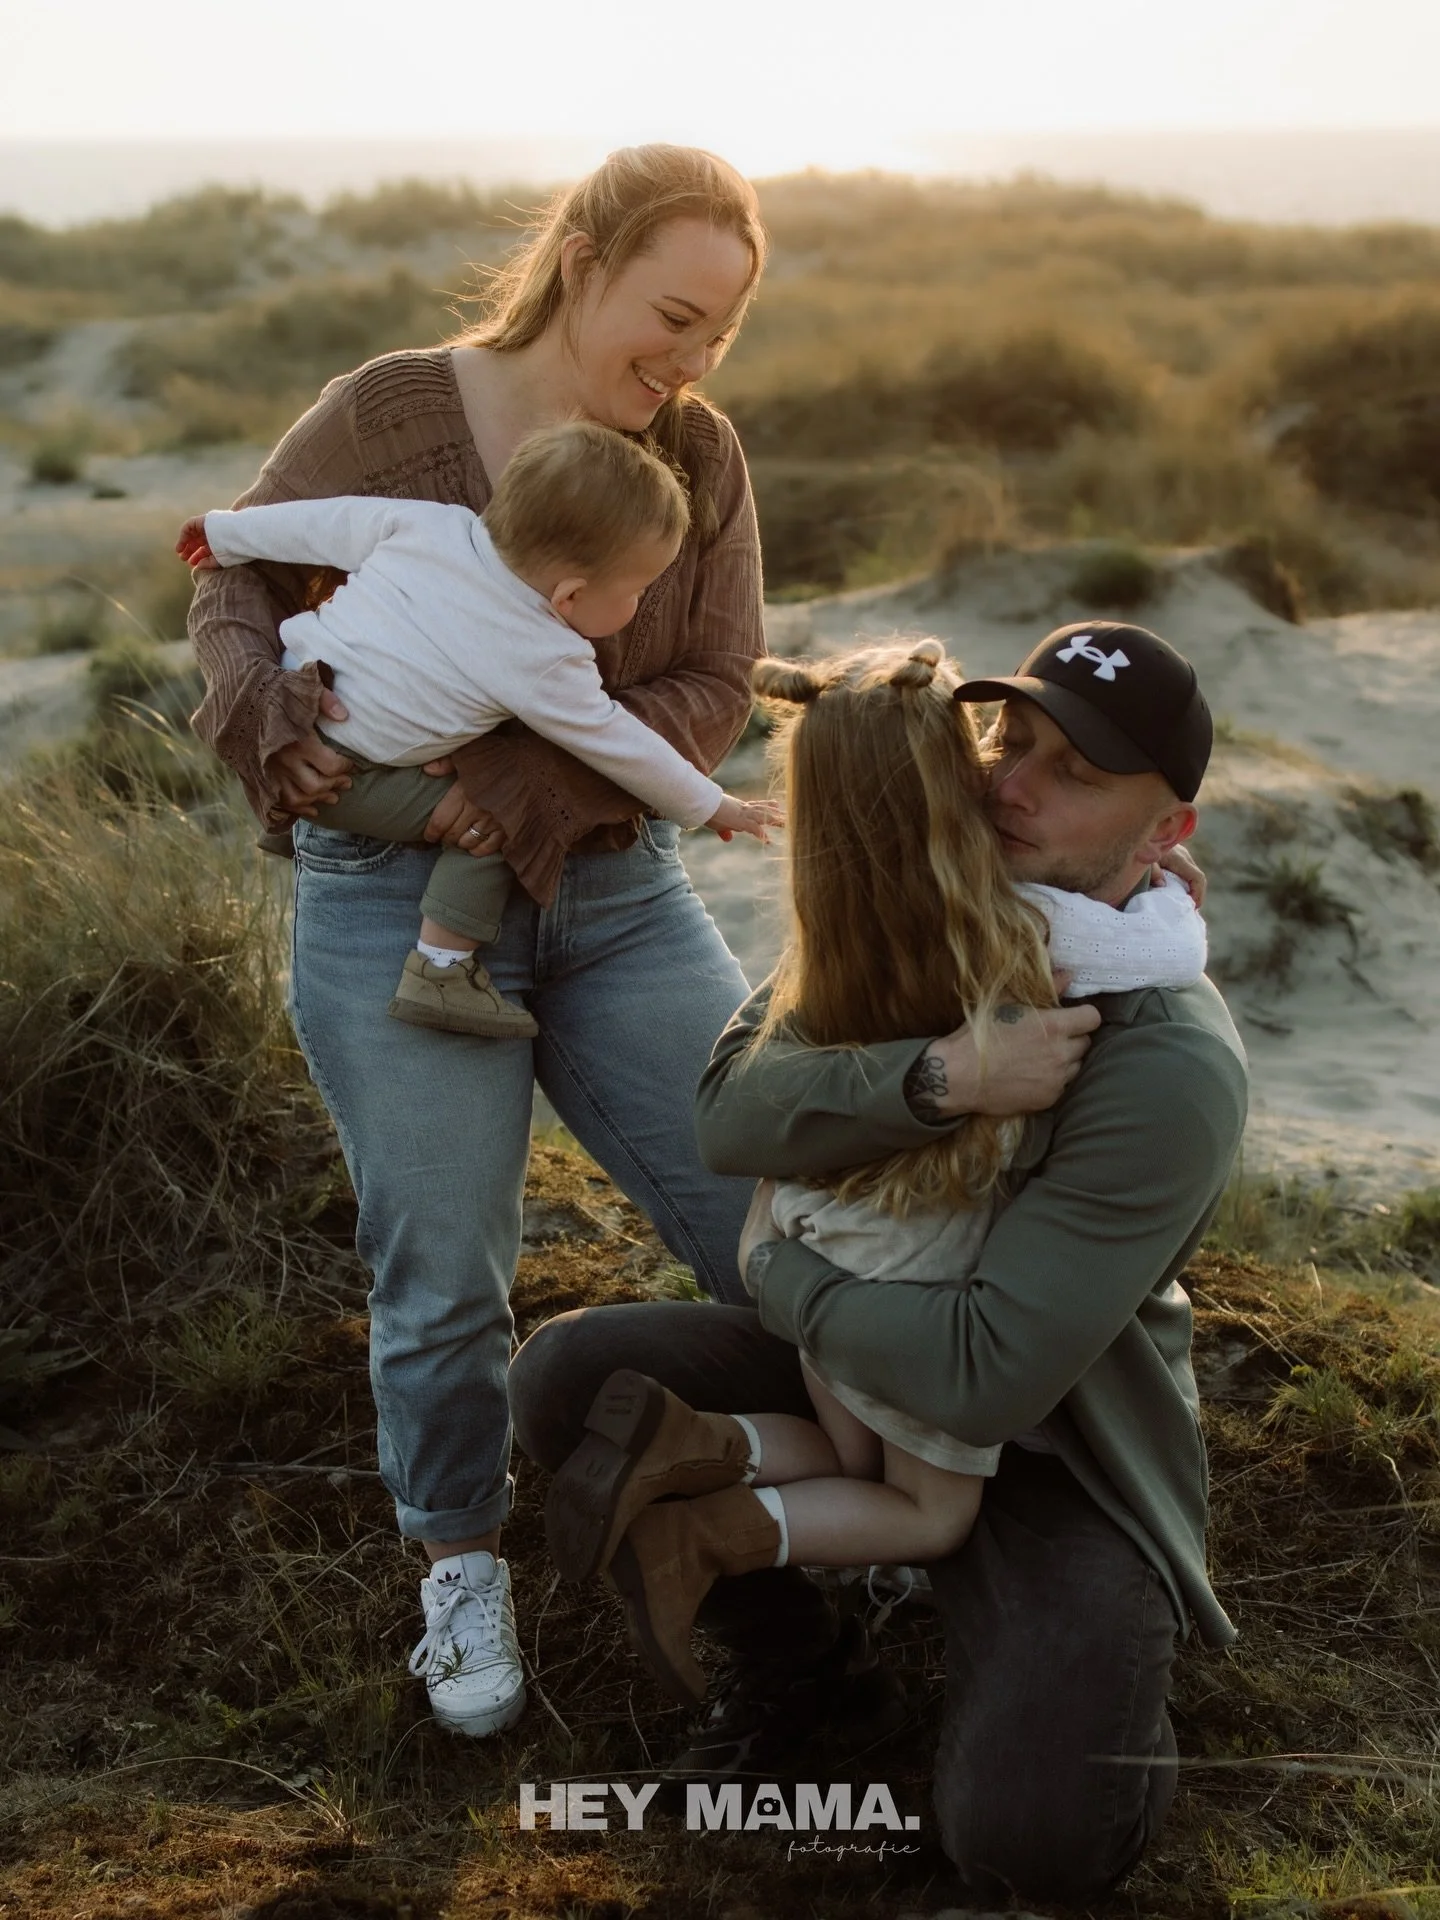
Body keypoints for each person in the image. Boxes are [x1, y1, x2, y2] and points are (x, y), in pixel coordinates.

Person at [510, 619, 1248, 1903]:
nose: (1012, 783)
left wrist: (783, 1280)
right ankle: (804, 1663)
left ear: (1166, 832)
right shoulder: (926, 909)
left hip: (1049, 1440)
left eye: (1074, 773)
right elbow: (731, 1115)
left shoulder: (1164, 1056)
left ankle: (982, 1619)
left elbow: (984, 1384)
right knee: (573, 1380)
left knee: (1033, 1840)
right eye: (1008, 739)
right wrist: (939, 1075)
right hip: (860, 1358)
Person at [187, 144, 769, 1740]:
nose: (692, 361)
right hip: (394, 903)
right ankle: (460, 1571)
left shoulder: (699, 456)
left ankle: (789, 1520)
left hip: (613, 890)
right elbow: (237, 565)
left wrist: (530, 770)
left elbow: (718, 678)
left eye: (719, 331)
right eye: (671, 314)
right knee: (441, 1272)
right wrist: (262, 708)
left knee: (769, 1223)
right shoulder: (391, 412)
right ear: (579, 261)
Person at [177, 422, 774, 1039]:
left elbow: (319, 523)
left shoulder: (427, 525)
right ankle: (442, 967)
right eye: (637, 591)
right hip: (357, 776)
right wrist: (713, 806)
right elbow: (623, 746)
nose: (638, 603)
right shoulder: (545, 657)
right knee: (496, 817)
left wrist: (222, 533)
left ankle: (291, 823)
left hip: (291, 707)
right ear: (570, 594)